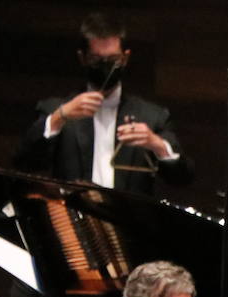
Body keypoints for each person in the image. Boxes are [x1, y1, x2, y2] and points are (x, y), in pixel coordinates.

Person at [12, 12, 193, 196]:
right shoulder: (56, 110)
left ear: (125, 58)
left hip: (128, 221)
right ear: (82, 58)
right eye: (96, 60)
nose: (105, 66)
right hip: (76, 221)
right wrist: (60, 117)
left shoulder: (152, 117)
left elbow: (182, 177)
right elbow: (24, 163)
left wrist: (156, 144)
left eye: (113, 60)